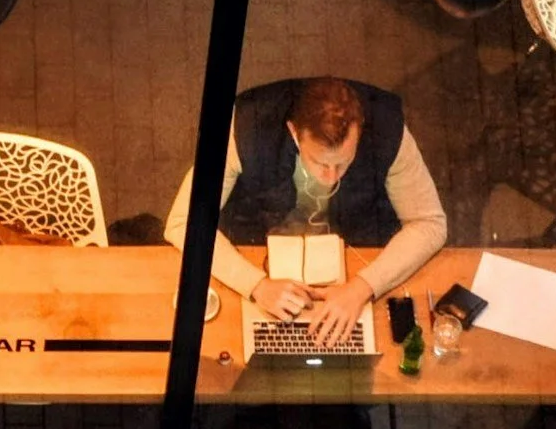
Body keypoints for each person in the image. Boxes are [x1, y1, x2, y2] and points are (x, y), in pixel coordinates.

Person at [164, 76, 446, 344]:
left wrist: (362, 288)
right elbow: (183, 222)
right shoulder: (245, 127)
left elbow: (430, 223)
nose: (332, 177)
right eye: (320, 163)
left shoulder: (388, 130)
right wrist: (256, 286)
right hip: (261, 240)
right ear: (294, 133)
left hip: (354, 246)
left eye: (343, 163)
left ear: (360, 128)